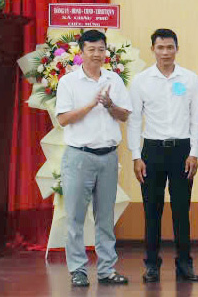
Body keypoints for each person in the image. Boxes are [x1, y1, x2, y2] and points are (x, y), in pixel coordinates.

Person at [55, 29, 132, 287]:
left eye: (101, 49)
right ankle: (78, 269)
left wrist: (109, 105)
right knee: (75, 217)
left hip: (108, 156)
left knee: (105, 217)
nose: (97, 54)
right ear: (81, 52)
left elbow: (124, 115)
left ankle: (107, 270)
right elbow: (63, 119)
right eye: (92, 49)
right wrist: (90, 105)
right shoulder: (69, 82)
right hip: (79, 156)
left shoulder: (114, 80)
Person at [128, 29, 198, 283]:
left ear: (177, 49)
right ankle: (152, 264)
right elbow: (134, 120)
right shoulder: (141, 81)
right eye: (160, 48)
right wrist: (136, 156)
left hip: (182, 151)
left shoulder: (190, 79)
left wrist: (194, 153)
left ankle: (184, 264)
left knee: (181, 210)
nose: (165, 52)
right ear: (153, 49)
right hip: (151, 151)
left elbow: (197, 119)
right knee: (152, 211)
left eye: (170, 47)